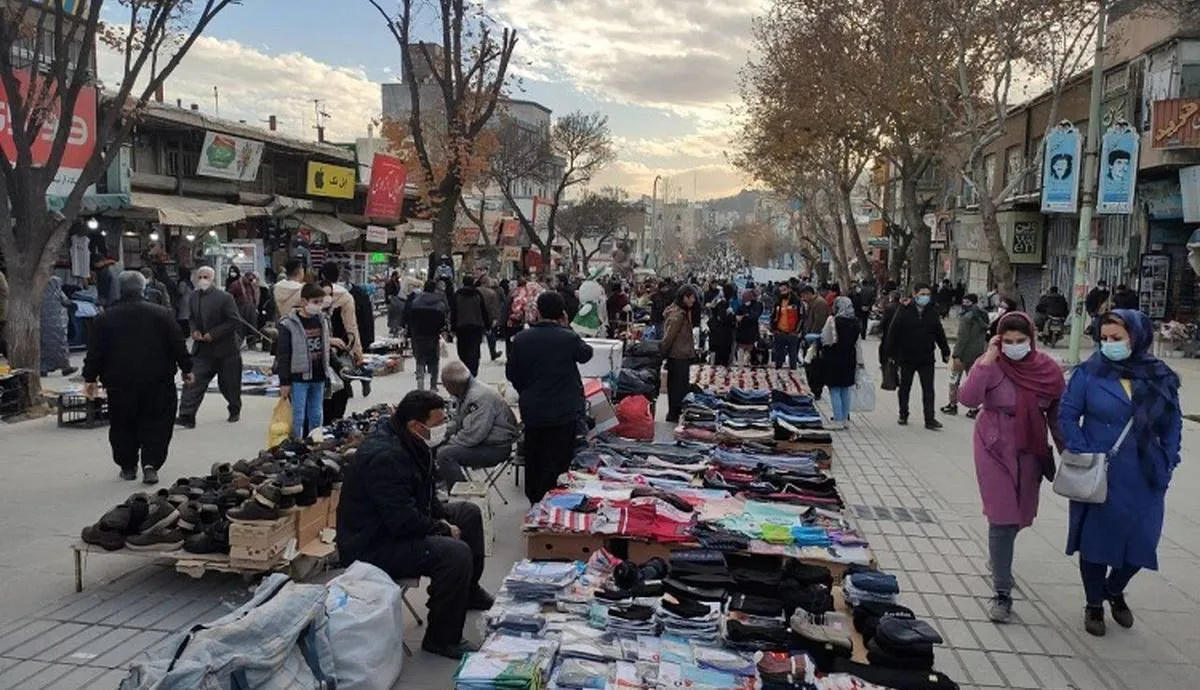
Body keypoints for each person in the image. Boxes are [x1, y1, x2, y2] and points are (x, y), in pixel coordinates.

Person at [336, 390, 492, 660]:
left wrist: (441, 517)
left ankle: (468, 592)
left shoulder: (413, 443)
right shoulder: (386, 457)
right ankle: (442, 638)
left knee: (467, 513)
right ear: (415, 426)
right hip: (372, 544)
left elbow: (424, 494)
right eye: (438, 423)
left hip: (395, 525)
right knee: (454, 554)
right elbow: (401, 521)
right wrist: (442, 528)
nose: (444, 428)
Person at [1058, 309, 1181, 637]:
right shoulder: (1089, 373)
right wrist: (1083, 450)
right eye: (1104, 338)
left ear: (1137, 338)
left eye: (1117, 338)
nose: (1109, 344)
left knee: (1143, 541)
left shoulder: (1159, 375)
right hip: (1102, 472)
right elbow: (1067, 415)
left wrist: (1169, 459)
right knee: (1096, 541)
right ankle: (1094, 603)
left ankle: (1114, 589)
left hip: (1147, 474)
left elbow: (1173, 422)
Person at [958, 313, 1065, 623]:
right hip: (993, 445)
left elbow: (1057, 415)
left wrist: (1069, 453)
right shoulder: (992, 365)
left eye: (1021, 341)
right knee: (1002, 516)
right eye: (1008, 341)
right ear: (998, 340)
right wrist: (987, 360)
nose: (1014, 346)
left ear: (1031, 339)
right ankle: (1002, 592)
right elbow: (968, 398)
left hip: (1030, 448)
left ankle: (999, 556)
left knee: (1020, 514)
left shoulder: (1047, 370)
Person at [83, 271, 192, 485]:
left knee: (122, 423)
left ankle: (127, 466)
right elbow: (177, 343)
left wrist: (90, 378)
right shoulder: (162, 314)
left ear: (120, 289)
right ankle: (151, 464)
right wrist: (187, 368)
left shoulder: (105, 318)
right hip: (158, 380)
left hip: (119, 382)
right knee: (158, 422)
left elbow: (95, 351)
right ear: (143, 288)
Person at [506, 291, 593, 504]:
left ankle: (535, 498)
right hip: (563, 410)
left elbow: (512, 374)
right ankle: (554, 499)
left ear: (538, 311)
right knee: (559, 457)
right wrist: (567, 327)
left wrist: (527, 390)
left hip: (533, 409)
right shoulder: (568, 338)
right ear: (562, 313)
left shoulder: (522, 339)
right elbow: (586, 354)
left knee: (534, 455)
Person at [436, 361, 520, 491]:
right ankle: (440, 484)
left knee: (445, 454)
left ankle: (462, 494)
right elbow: (459, 422)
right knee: (436, 445)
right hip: (487, 442)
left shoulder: (478, 397)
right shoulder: (465, 391)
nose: (447, 390)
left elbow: (473, 435)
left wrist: (449, 441)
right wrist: (442, 434)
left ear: (454, 385)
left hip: (496, 447)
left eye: (447, 387)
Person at [177, 266, 242, 427]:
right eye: (200, 277)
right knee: (193, 381)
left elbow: (233, 321)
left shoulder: (225, 297)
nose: (202, 280)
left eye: (206, 277)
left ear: (213, 279)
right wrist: (194, 330)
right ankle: (187, 415)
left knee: (229, 384)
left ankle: (234, 408)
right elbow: (192, 318)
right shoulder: (193, 296)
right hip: (202, 349)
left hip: (226, 349)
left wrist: (213, 334)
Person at [886, 283, 950, 430]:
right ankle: (903, 413)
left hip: (926, 358)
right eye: (922, 294)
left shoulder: (932, 311)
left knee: (928, 389)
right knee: (905, 388)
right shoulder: (904, 310)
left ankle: (930, 418)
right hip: (906, 357)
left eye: (927, 294)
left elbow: (939, 332)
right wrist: (890, 354)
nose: (925, 297)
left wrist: (945, 351)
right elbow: (893, 332)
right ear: (915, 295)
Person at [275, 283, 333, 439]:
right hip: (299, 377)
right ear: (303, 302)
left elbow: (326, 347)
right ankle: (296, 442)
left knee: (317, 414)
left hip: (319, 375)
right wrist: (284, 382)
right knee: (298, 415)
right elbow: (283, 355)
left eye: (321, 302)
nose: (318, 306)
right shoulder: (288, 324)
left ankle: (315, 442)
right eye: (315, 302)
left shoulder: (323, 320)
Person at [943, 293, 991, 418]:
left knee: (954, 380)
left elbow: (962, 338)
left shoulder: (967, 317)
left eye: (967, 302)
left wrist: (956, 354)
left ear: (972, 303)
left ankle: (952, 404)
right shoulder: (984, 315)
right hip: (978, 353)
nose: (964, 304)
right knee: (974, 381)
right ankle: (974, 407)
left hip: (963, 354)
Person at [820, 296, 863, 430]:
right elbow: (857, 343)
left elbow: (825, 339)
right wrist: (860, 361)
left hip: (835, 357)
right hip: (850, 357)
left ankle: (837, 419)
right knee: (845, 389)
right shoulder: (856, 322)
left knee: (835, 389)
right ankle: (845, 419)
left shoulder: (833, 321)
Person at [661, 285, 698, 423]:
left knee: (679, 387)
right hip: (678, 356)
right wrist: (663, 353)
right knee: (677, 388)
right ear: (684, 298)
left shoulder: (682, 312)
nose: (693, 300)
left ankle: (675, 413)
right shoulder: (677, 315)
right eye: (691, 297)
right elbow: (669, 337)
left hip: (681, 355)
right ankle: (673, 414)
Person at [405, 280, 449, 391]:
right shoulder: (439, 304)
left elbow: (411, 319)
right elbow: (442, 321)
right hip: (433, 335)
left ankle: (420, 383)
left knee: (420, 359)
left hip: (419, 335)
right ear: (434, 289)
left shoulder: (416, 302)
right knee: (434, 360)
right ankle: (433, 385)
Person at [319, 263, 363, 361]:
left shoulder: (310, 293)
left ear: (322, 276)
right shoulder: (345, 296)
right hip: (340, 346)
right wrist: (358, 352)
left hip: (316, 347)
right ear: (338, 276)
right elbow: (351, 326)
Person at [451, 276, 491, 377]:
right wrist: (487, 326)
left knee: (462, 350)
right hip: (476, 326)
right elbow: (483, 311)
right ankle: (473, 371)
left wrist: (452, 328)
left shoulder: (457, 295)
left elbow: (454, 312)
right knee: (474, 350)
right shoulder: (477, 294)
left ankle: (465, 368)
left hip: (461, 326)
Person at [40, 275, 76, 376]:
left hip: (43, 323)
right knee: (61, 345)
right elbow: (66, 302)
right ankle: (65, 367)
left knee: (44, 346)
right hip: (58, 324)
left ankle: (44, 368)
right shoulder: (57, 292)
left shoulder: (39, 293)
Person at [800, 285, 830, 399]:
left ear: (808, 294)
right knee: (810, 366)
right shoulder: (812, 303)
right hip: (810, 338)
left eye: (803, 296)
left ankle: (816, 390)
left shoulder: (819, 303)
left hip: (814, 340)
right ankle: (813, 389)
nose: (803, 298)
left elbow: (819, 323)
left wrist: (812, 339)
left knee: (815, 367)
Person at [770, 282, 803, 370]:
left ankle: (793, 372)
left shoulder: (797, 301)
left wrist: (797, 331)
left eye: (784, 290)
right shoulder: (778, 302)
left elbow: (801, 317)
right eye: (781, 291)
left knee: (793, 357)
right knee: (778, 358)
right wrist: (773, 329)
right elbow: (773, 316)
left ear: (789, 289)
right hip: (779, 332)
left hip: (792, 333)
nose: (782, 292)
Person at [707, 284, 736, 366]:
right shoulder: (723, 303)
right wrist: (732, 316)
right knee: (723, 357)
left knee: (719, 356)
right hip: (723, 334)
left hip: (718, 333)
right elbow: (723, 318)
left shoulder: (720, 302)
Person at [733, 287, 763, 365]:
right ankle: (741, 362)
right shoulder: (742, 306)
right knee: (742, 348)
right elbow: (737, 316)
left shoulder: (757, 305)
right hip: (742, 332)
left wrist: (744, 316)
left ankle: (749, 361)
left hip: (751, 332)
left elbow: (754, 316)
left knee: (749, 348)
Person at [478, 277, 504, 361]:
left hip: (478, 316)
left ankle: (476, 354)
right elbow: (494, 307)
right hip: (489, 316)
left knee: (477, 337)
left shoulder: (476, 291)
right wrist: (495, 318)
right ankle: (493, 352)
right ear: (487, 282)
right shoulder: (491, 293)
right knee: (491, 336)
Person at [385, 271, 405, 338]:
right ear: (394, 276)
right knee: (392, 316)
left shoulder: (397, 282)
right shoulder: (389, 283)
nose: (398, 277)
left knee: (396, 316)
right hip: (392, 302)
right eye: (397, 275)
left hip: (397, 301)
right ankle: (392, 330)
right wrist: (389, 301)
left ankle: (395, 329)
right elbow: (388, 293)